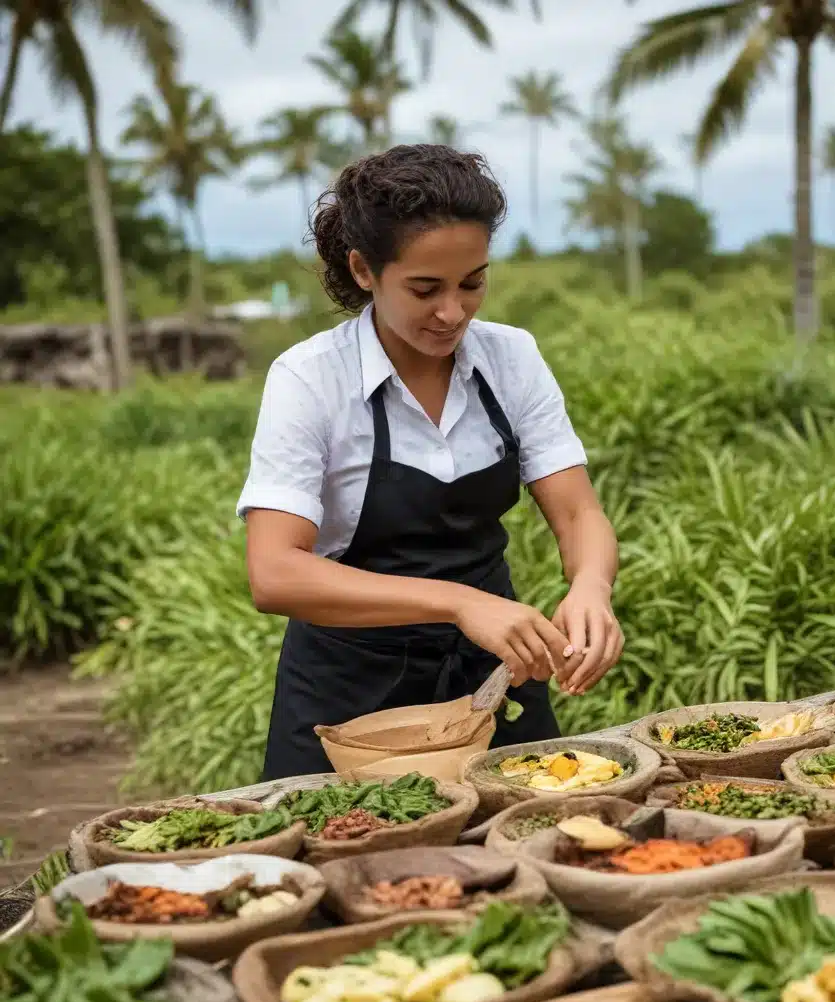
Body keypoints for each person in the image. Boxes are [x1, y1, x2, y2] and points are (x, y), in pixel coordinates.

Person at [237, 144, 623, 782]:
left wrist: (591, 587)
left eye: (472, 282)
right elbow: (274, 573)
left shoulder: (512, 359)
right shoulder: (309, 380)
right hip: (348, 703)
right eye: (425, 289)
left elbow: (580, 511)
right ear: (364, 270)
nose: (453, 313)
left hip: (495, 681)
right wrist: (459, 603)